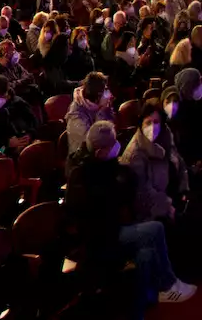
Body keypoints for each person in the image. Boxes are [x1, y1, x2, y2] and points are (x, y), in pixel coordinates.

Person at [66, 121, 196, 311]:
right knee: (155, 229)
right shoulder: (81, 175)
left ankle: (142, 306)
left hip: (115, 228)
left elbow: (122, 194)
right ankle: (168, 284)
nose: (117, 147)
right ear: (99, 151)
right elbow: (95, 213)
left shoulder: (107, 165)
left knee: (146, 252)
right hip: (99, 236)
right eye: (112, 145)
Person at [120, 102, 189, 224]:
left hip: (174, 194)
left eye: (156, 122)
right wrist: (168, 206)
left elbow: (179, 161)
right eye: (148, 123)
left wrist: (184, 189)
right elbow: (144, 193)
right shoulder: (135, 154)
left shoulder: (165, 136)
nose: (152, 127)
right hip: (154, 212)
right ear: (141, 124)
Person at [64, 71, 115, 173]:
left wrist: (107, 110)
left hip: (101, 155)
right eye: (105, 90)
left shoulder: (100, 105)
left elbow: (111, 130)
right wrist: (101, 112)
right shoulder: (76, 114)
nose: (108, 93)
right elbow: (92, 141)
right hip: (82, 163)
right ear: (98, 95)